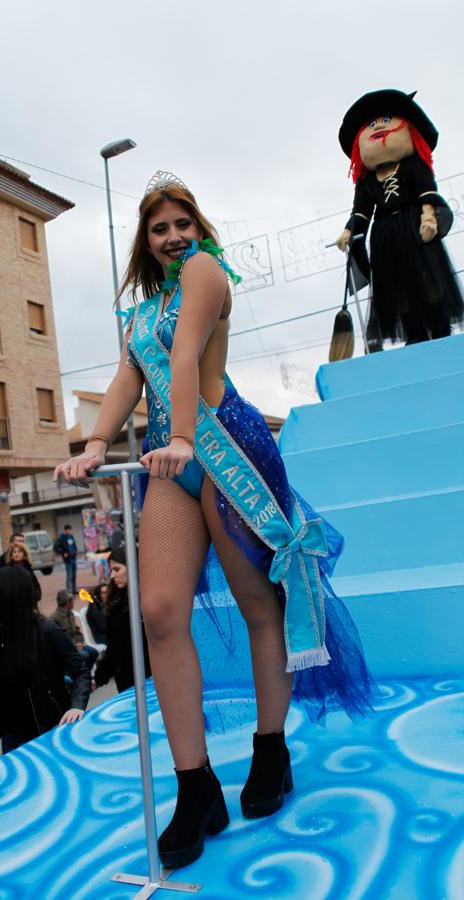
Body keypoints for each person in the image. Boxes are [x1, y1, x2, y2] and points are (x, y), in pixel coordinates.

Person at [56, 173, 375, 868]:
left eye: (181, 223)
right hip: (170, 459)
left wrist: (176, 434)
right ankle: (195, 786)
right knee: (162, 611)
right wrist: (91, 446)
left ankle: (270, 750)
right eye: (158, 228)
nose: (173, 237)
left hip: (224, 442)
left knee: (258, 601)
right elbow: (125, 380)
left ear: (198, 228)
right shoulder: (140, 313)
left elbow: (185, 354)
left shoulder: (205, 271)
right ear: (144, 241)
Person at [335, 89, 464, 348]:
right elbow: (361, 211)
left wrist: (429, 218)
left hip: (414, 227)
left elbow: (428, 193)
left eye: (386, 120)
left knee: (426, 278)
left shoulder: (413, 165)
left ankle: (439, 328)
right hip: (385, 235)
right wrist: (350, 230)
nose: (379, 126)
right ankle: (414, 332)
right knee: (399, 287)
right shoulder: (366, 180)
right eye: (372, 124)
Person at [0, 566, 91, 754]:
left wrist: (77, 706)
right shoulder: (1, 636)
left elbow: (81, 672)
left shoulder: (47, 631)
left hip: (47, 731)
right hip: (12, 737)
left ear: (7, 595)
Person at [94, 546, 151, 693]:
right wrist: (99, 677)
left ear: (133, 566)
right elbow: (114, 647)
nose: (112, 575)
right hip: (128, 681)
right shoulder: (116, 605)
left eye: (117, 569)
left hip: (154, 676)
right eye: (111, 570)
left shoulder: (150, 598)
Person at [50, 590, 99, 670]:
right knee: (85, 655)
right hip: (67, 648)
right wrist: (75, 646)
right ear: (67, 603)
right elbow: (58, 639)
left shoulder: (71, 614)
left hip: (76, 644)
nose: (73, 602)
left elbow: (76, 631)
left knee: (94, 653)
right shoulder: (54, 618)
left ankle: (86, 673)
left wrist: (80, 642)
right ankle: (81, 674)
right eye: (72, 600)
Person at [59, 525, 78, 594]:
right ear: (65, 530)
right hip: (68, 560)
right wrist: (63, 553)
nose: (70, 531)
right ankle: (68, 591)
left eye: (70, 529)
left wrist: (76, 551)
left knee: (74, 576)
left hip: (73, 558)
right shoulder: (62, 538)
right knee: (69, 576)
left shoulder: (72, 537)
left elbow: (74, 546)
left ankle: (74, 590)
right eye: (68, 530)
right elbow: (56, 547)